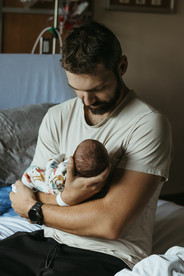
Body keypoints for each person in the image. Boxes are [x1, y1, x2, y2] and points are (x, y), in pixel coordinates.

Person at [0, 21, 172, 276]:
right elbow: (26, 192)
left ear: (122, 67)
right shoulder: (56, 117)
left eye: (98, 88)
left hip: (106, 255)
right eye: (77, 90)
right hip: (46, 241)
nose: (88, 101)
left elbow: (109, 223)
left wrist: (36, 210)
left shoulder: (147, 124)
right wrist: (65, 199)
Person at [20, 139, 110, 206]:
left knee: (31, 173)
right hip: (58, 197)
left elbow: (51, 172)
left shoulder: (64, 167)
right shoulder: (91, 182)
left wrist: (56, 159)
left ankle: (25, 186)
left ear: (73, 157)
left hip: (50, 186)